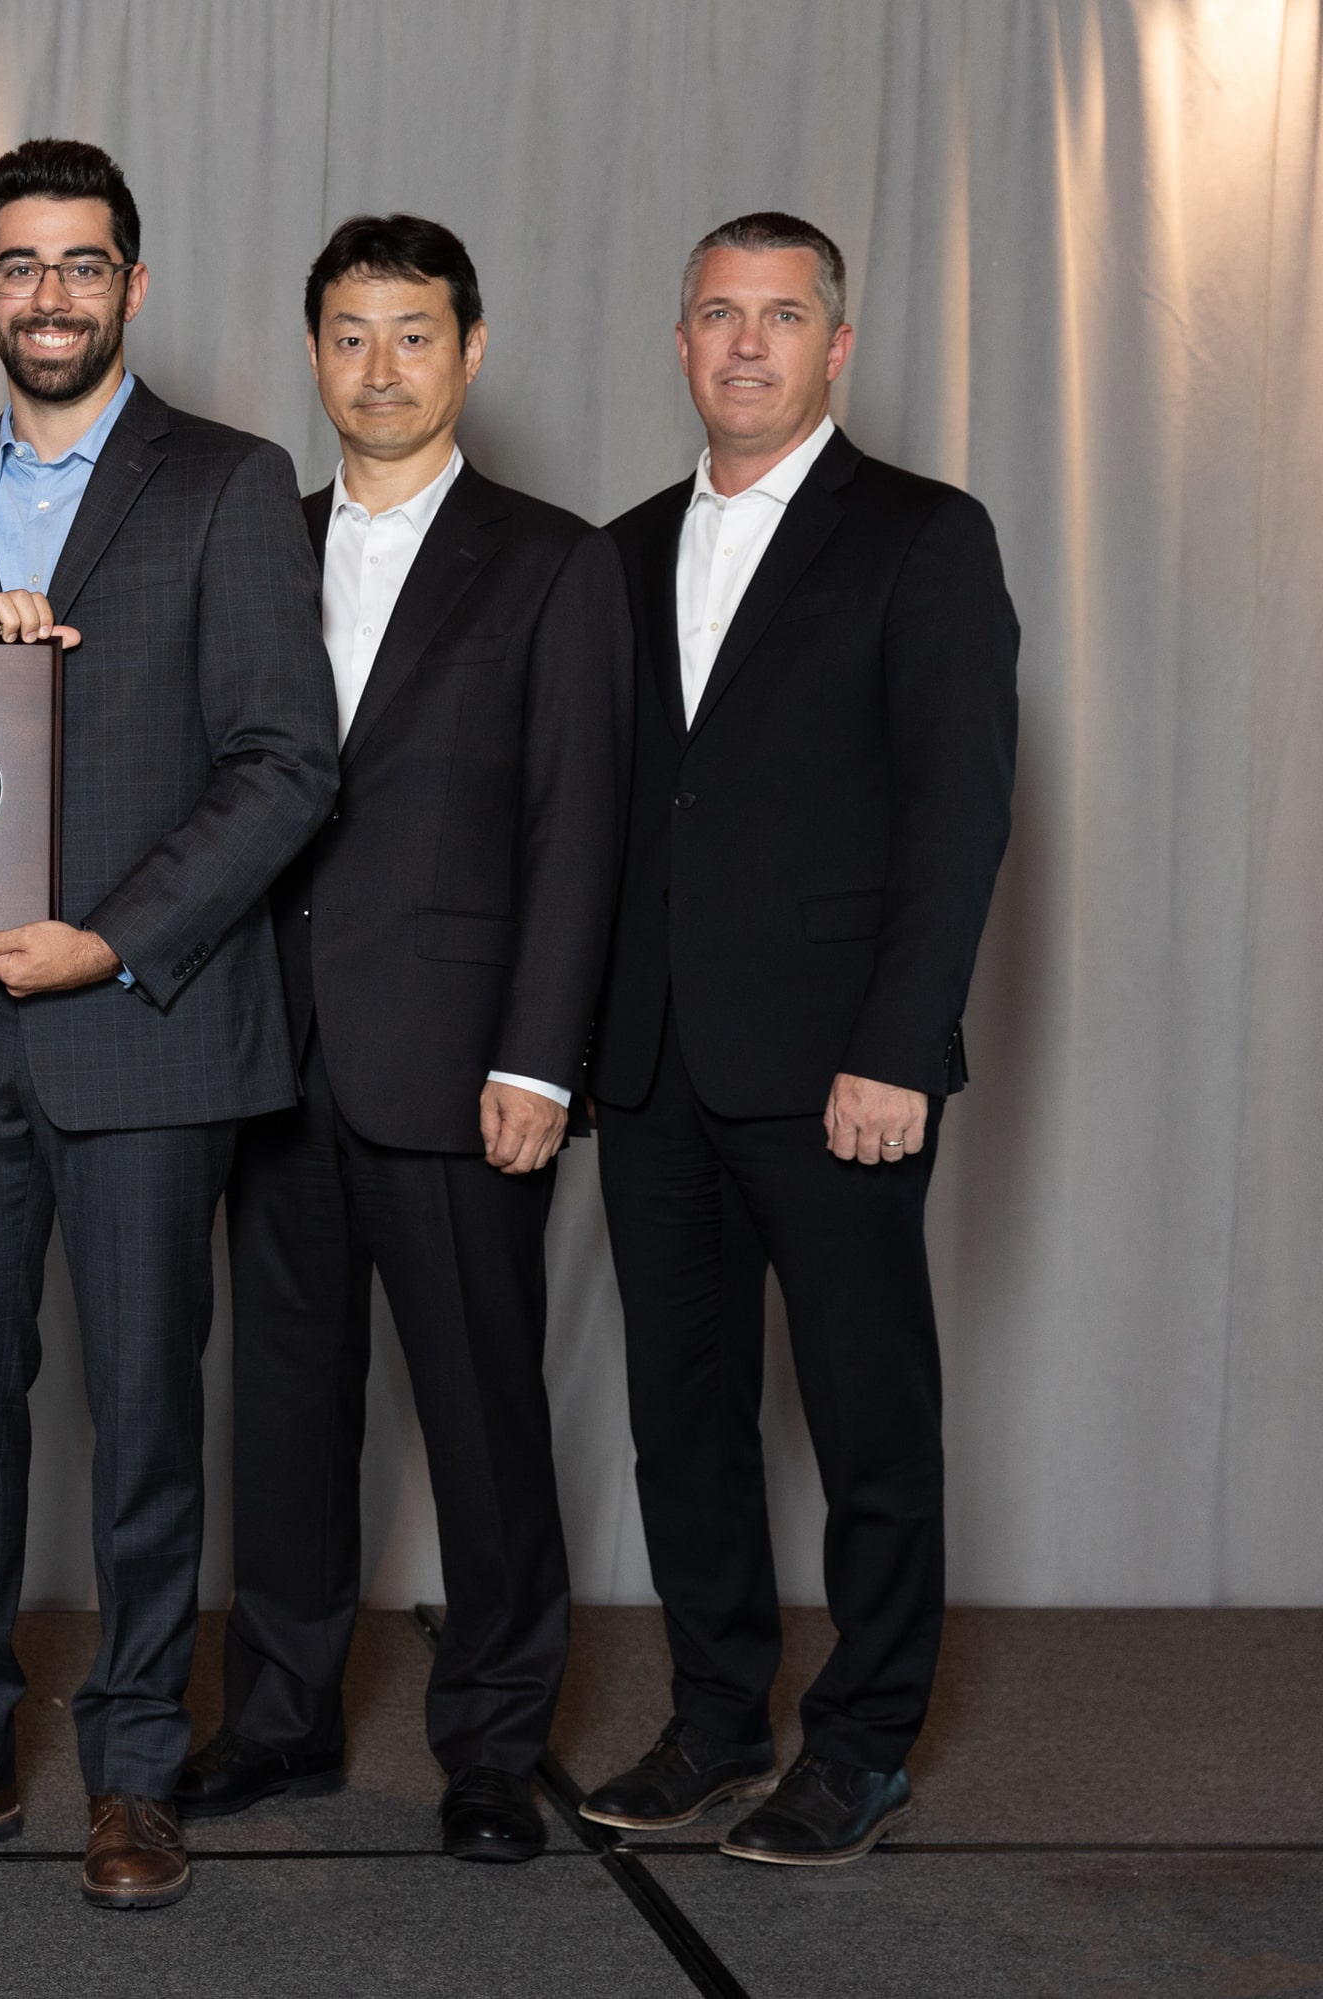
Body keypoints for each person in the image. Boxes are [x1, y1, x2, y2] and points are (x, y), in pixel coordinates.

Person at [0, 139, 336, 1912]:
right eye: (19, 266)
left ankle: (133, 1776)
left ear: (132, 281)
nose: (51, 294)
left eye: (83, 264)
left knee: (144, 1423)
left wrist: (108, 941)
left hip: (145, 1030)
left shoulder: (234, 481)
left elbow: (287, 766)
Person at [182, 215, 632, 1862]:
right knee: (287, 1415)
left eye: (415, 334)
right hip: (265, 1053)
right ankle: (284, 1722)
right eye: (352, 336)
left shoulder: (554, 560)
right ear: (314, 357)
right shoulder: (254, 538)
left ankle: (495, 1749)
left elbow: (581, 827)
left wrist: (539, 1058)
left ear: (472, 347)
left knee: (484, 1416)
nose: (382, 367)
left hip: (461, 1068)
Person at [578, 212, 1018, 1865]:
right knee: (681, 1416)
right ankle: (711, 1723)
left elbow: (957, 814)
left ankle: (866, 1742)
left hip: (841, 1067)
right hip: (655, 1065)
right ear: (679, 343)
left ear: (839, 347)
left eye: (781, 316)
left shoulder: (924, 536)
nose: (745, 342)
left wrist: (899, 1048)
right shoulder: (615, 554)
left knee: (865, 1414)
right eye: (715, 313)